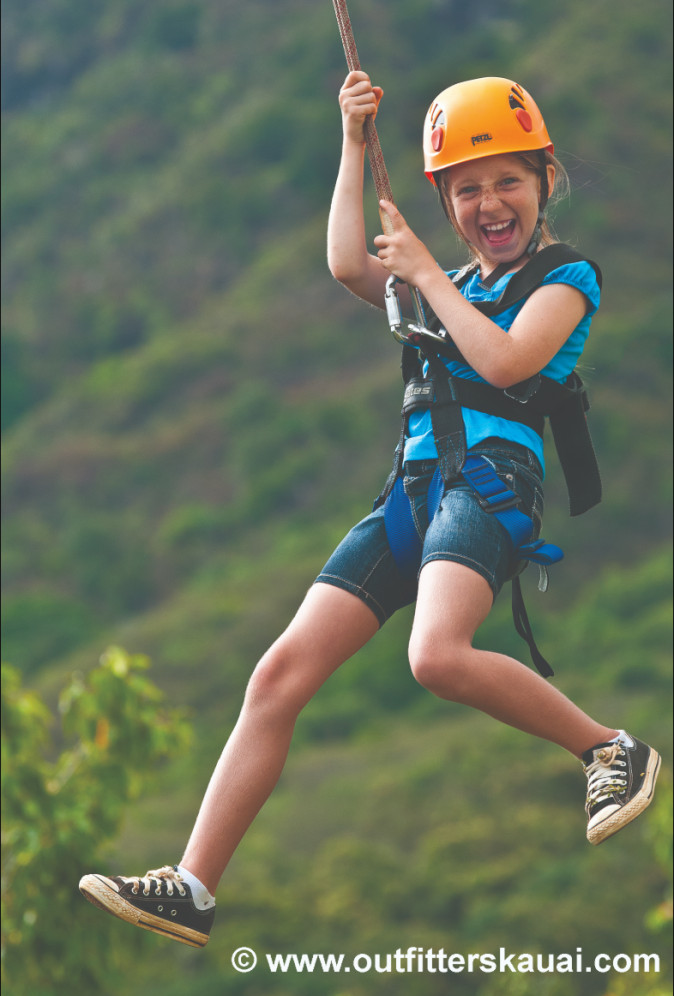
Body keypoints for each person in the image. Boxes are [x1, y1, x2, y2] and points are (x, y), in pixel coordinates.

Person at [79, 71, 661, 948]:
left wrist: (429, 271)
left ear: (546, 179)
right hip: (412, 494)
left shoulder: (566, 277)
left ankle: (610, 750)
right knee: (277, 676)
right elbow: (349, 264)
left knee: (436, 656)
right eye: (466, 189)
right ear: (444, 200)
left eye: (508, 179)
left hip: (492, 482)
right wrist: (354, 141)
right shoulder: (446, 278)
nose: (489, 201)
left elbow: (506, 363)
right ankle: (193, 885)